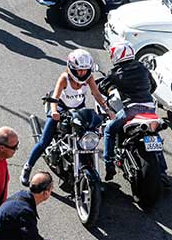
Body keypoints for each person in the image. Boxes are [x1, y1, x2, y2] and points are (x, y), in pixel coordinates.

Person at [20, 49, 112, 186]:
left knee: (88, 138)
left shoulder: (89, 78)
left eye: (85, 70)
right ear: (71, 68)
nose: (82, 73)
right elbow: (54, 98)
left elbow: (97, 95)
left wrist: (107, 110)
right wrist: (54, 112)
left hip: (79, 109)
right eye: (79, 70)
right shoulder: (65, 78)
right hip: (61, 109)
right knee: (44, 141)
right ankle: (27, 167)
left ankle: (93, 175)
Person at [100, 42, 169, 185]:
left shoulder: (115, 72)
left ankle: (109, 164)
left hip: (131, 110)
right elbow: (153, 85)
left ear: (117, 55)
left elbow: (102, 87)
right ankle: (162, 172)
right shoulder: (142, 67)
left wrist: (111, 87)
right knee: (154, 135)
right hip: (150, 109)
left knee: (109, 130)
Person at [0, 172, 55, 240]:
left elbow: (30, 234)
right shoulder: (26, 212)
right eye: (51, 188)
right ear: (45, 193)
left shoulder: (21, 195)